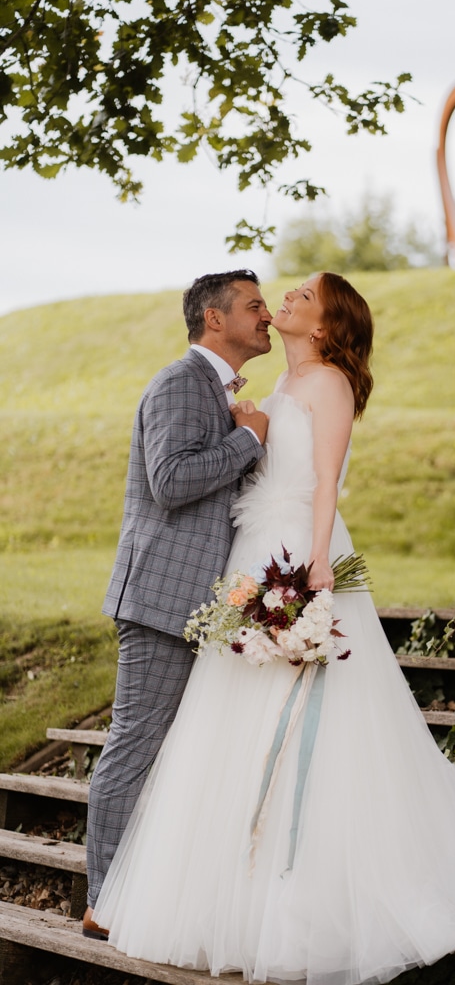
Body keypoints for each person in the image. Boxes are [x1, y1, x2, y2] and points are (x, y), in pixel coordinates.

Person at [92, 273, 455, 982]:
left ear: (326, 326)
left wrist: (314, 569)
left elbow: (325, 483)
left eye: (299, 297)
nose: (279, 303)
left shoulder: (328, 383)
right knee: (220, 724)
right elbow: (196, 477)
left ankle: (294, 889)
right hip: (246, 564)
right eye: (265, 301)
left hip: (294, 557)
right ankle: (193, 891)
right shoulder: (258, 389)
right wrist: (250, 434)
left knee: (307, 718)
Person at [83, 270, 272, 939]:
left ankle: (151, 896)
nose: (267, 316)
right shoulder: (180, 383)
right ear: (214, 318)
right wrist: (250, 440)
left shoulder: (217, 392)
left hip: (204, 606)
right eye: (254, 305)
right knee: (135, 748)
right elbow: (170, 481)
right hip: (163, 601)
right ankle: (103, 902)